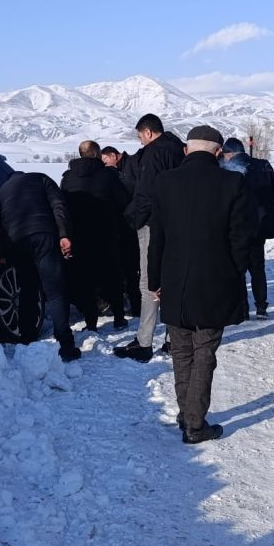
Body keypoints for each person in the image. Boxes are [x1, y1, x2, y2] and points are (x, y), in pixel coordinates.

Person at [148, 125, 256, 443]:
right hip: (216, 281)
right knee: (205, 350)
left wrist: (155, 279)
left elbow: (158, 238)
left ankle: (187, 413)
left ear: (186, 150)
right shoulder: (233, 182)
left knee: (181, 351)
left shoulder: (164, 182)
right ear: (219, 152)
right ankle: (195, 424)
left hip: (175, 281)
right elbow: (242, 237)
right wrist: (234, 271)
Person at [0, 171, 80, 362]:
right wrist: (64, 234)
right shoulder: (41, 178)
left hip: (16, 241)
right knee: (55, 291)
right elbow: (58, 205)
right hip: (44, 235)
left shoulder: (2, 191)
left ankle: (27, 341)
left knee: (27, 290)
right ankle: (66, 345)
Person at [114, 114, 184, 362]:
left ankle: (144, 342)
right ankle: (173, 339)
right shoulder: (178, 150)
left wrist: (134, 217)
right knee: (171, 279)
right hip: (175, 221)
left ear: (148, 132)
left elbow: (146, 191)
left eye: (140, 135)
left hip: (152, 222)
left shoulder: (153, 154)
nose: (140, 141)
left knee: (149, 283)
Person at [60, 140, 130, 331]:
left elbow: (63, 206)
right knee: (112, 276)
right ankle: (118, 317)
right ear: (98, 154)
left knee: (85, 280)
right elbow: (123, 201)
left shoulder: (67, 178)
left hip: (79, 235)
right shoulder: (108, 176)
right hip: (106, 234)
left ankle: (91, 322)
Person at [219, 136, 274, 318]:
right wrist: (263, 206)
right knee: (257, 268)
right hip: (258, 226)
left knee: (237, 267)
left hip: (235, 227)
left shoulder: (225, 169)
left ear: (228, 154)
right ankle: (261, 307)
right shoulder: (262, 165)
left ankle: (243, 309)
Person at [101, 146, 142, 316]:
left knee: (130, 269)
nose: (105, 165)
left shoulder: (128, 168)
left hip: (128, 224)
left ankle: (135, 306)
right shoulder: (122, 170)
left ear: (114, 156)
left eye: (105, 160)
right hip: (125, 226)